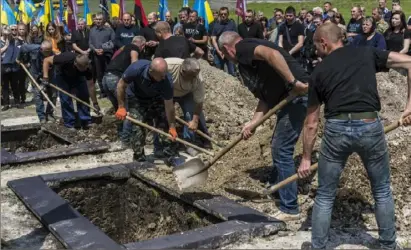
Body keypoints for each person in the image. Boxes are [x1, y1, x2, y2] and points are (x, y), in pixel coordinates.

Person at [297, 22, 411, 250]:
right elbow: (409, 62)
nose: (316, 52)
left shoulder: (319, 71)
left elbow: (311, 123)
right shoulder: (366, 53)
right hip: (369, 124)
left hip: (337, 128)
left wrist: (306, 158)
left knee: (326, 195)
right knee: (381, 190)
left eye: (317, 47)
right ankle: (388, 245)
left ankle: (318, 246)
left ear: (324, 43)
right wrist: (409, 105)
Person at [218, 31, 309, 221]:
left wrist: (294, 83)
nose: (226, 58)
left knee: (281, 148)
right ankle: (278, 189)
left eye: (224, 54)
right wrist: (253, 123)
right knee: (278, 145)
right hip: (287, 98)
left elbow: (272, 54)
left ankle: (289, 208)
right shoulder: (247, 65)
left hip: (297, 95)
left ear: (227, 49)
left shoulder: (243, 47)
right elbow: (264, 99)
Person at [115, 58, 178, 161]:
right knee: (138, 128)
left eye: (164, 74)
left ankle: (169, 154)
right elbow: (121, 85)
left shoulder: (166, 80)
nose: (164, 77)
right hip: (136, 97)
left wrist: (172, 126)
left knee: (163, 124)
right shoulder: (136, 68)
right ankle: (139, 158)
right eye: (161, 76)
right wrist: (121, 107)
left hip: (156, 97)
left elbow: (169, 106)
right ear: (151, 72)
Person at [103, 36, 146, 144]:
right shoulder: (135, 48)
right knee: (128, 110)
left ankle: (121, 133)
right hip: (116, 80)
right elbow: (134, 66)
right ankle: (125, 140)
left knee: (119, 108)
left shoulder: (122, 48)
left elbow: (113, 59)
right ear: (142, 45)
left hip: (106, 79)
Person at [165, 57, 211, 154]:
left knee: (191, 116)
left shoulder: (198, 79)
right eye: (191, 76)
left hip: (187, 94)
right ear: (183, 71)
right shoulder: (168, 66)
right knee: (164, 116)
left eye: (195, 76)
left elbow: (199, 102)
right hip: (167, 93)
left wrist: (195, 121)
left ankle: (189, 143)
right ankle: (167, 143)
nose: (194, 78)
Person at [42, 52, 93, 130]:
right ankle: (70, 123)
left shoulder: (88, 69)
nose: (84, 70)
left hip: (78, 77)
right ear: (76, 64)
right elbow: (46, 60)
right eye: (82, 68)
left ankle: (85, 121)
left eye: (85, 68)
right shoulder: (65, 58)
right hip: (62, 76)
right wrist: (45, 77)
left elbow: (91, 86)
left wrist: (95, 102)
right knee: (66, 99)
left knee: (84, 96)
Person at [18, 40, 57, 123]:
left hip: (49, 76)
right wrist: (20, 59)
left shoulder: (53, 55)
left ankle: (49, 114)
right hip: (35, 74)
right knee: (38, 95)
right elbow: (22, 48)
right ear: (41, 49)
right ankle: (41, 116)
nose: (48, 52)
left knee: (53, 94)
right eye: (46, 51)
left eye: (49, 50)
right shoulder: (33, 49)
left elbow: (53, 69)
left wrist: (46, 81)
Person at [89, 13, 115, 98]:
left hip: (107, 55)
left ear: (103, 20)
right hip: (96, 55)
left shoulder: (109, 30)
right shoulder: (92, 30)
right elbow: (90, 43)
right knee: (99, 74)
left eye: (100, 19)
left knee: (108, 73)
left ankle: (110, 90)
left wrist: (104, 49)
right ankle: (103, 91)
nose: (98, 21)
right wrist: (95, 50)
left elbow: (113, 42)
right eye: (96, 19)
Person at [211, 7, 237, 76]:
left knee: (231, 73)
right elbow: (213, 39)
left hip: (230, 52)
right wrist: (218, 51)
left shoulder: (232, 24)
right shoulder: (216, 25)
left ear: (228, 14)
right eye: (221, 14)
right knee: (219, 73)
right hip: (219, 52)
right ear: (219, 14)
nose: (223, 15)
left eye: (225, 14)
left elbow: (236, 38)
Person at [1, 27, 19, 110]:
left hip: (12, 65)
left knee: (14, 84)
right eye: (5, 31)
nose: (7, 33)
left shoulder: (13, 40)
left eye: (8, 31)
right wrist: (6, 46)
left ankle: (17, 102)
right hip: (3, 65)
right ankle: (6, 104)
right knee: (5, 86)